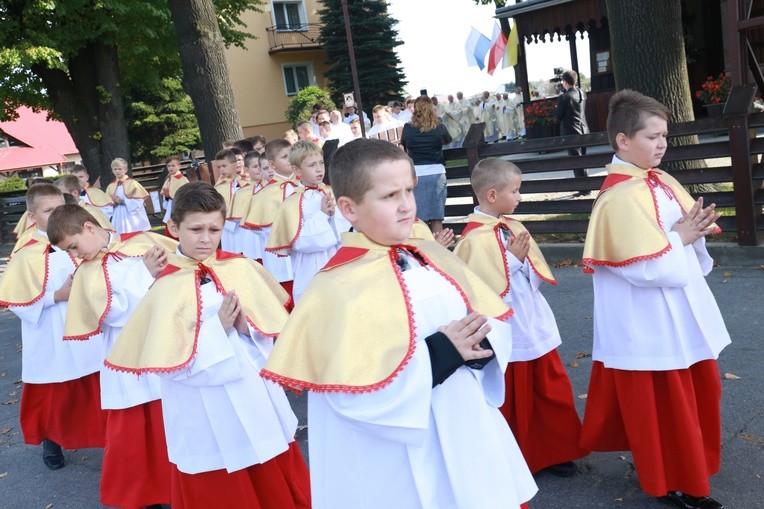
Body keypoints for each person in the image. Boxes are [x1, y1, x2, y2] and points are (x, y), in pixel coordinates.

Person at [261, 138, 537, 509]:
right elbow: (348, 394)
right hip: (396, 460)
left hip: (463, 424)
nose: (407, 205)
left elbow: (489, 318)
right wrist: (440, 354)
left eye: (409, 190)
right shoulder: (336, 289)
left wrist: (482, 344)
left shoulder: (432, 256)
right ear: (349, 208)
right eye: (390, 196)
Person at [104, 182, 311, 509]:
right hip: (199, 402)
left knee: (271, 468)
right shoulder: (162, 284)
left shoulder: (239, 267)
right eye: (196, 229)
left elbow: (269, 338)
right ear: (173, 228)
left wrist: (248, 329)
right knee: (219, 484)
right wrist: (217, 329)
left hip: (251, 390)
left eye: (214, 229)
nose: (206, 238)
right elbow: (167, 361)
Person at [579, 90, 730, 509]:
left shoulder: (662, 181)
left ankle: (692, 461)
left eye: (665, 135)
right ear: (623, 141)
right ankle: (674, 480)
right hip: (646, 318)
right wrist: (680, 238)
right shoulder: (617, 197)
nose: (662, 144)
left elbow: (684, 249)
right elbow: (641, 267)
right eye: (652, 136)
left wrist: (692, 233)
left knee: (696, 388)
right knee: (665, 400)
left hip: (679, 308)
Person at [453, 158, 589, 477]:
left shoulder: (513, 226)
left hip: (532, 321)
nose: (519, 197)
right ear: (491, 195)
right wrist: (511, 263)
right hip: (507, 328)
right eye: (514, 191)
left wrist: (523, 263)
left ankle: (555, 449)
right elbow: (479, 292)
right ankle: (520, 457)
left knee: (549, 389)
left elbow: (534, 272)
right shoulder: (473, 239)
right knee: (516, 396)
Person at [48, 204, 177, 509]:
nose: (76, 256)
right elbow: (114, 314)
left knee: (173, 420)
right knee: (138, 435)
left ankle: (180, 487)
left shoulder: (142, 242)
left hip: (166, 346)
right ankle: (148, 496)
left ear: (89, 228)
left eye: (74, 246)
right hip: (126, 358)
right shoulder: (87, 274)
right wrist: (145, 274)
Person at [0, 184, 106, 470]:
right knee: (54, 394)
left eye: (59, 208)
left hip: (85, 327)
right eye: (48, 211)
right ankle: (52, 441)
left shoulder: (79, 243)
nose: (56, 214)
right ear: (32, 217)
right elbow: (17, 301)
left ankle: (108, 438)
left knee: (94, 385)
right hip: (49, 331)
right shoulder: (26, 254)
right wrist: (56, 296)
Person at [266, 141, 347, 303]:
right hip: (310, 270)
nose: (319, 169)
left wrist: (333, 217)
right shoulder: (292, 203)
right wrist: (322, 216)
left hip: (338, 264)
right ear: (296, 170)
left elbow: (345, 231)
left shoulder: (331, 192)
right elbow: (299, 242)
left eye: (321, 163)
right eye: (312, 165)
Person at [241, 139, 298, 300]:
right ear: (273, 164)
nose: (291, 159)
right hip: (281, 262)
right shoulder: (264, 195)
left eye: (292, 155)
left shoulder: (304, 184)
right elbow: (264, 231)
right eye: (285, 156)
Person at [400, 95, 452, 235]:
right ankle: (440, 252)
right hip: (437, 173)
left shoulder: (408, 128)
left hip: (417, 175)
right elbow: (448, 140)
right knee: (437, 219)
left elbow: (404, 143)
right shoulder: (439, 126)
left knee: (420, 221)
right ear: (431, 108)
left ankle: (424, 254)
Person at [553, 70, 591, 195]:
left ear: (564, 82)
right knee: (583, 160)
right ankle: (586, 187)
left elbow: (557, 117)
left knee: (576, 161)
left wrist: (556, 109)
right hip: (583, 129)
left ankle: (583, 189)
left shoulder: (564, 97)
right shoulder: (581, 93)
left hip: (571, 132)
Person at [106, 158, 151, 234]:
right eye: (115, 169)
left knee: (135, 235)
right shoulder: (111, 186)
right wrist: (113, 203)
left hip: (132, 216)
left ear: (125, 169)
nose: (117, 171)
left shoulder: (132, 183)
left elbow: (139, 202)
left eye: (120, 169)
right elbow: (107, 204)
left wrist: (121, 201)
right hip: (118, 215)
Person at [213, 148, 243, 251]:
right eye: (219, 167)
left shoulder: (246, 183)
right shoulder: (218, 187)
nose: (221, 170)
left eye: (224, 166)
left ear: (234, 165)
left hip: (245, 226)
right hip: (227, 228)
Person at [161, 155, 190, 238]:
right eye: (168, 166)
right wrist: (166, 197)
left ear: (179, 166)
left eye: (173, 165)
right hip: (170, 208)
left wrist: (170, 195)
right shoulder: (168, 179)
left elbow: (185, 195)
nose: (170, 168)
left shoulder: (182, 180)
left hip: (179, 209)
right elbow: (166, 198)